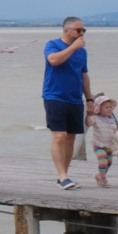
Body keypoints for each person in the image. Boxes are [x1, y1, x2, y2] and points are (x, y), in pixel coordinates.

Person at [42, 16, 94, 189]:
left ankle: (64, 175)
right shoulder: (53, 45)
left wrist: (89, 99)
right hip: (55, 96)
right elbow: (54, 60)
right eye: (79, 30)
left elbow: (84, 75)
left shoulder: (82, 52)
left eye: (84, 30)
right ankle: (62, 176)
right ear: (67, 30)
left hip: (75, 98)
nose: (82, 33)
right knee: (59, 136)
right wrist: (72, 47)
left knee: (71, 138)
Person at [89, 95, 118, 187]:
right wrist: (88, 115)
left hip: (109, 145)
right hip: (98, 144)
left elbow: (114, 129)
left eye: (110, 107)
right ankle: (103, 179)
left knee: (109, 163)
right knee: (103, 160)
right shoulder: (95, 118)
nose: (109, 109)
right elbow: (89, 123)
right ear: (99, 109)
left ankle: (99, 175)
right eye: (106, 107)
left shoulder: (111, 118)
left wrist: (117, 134)